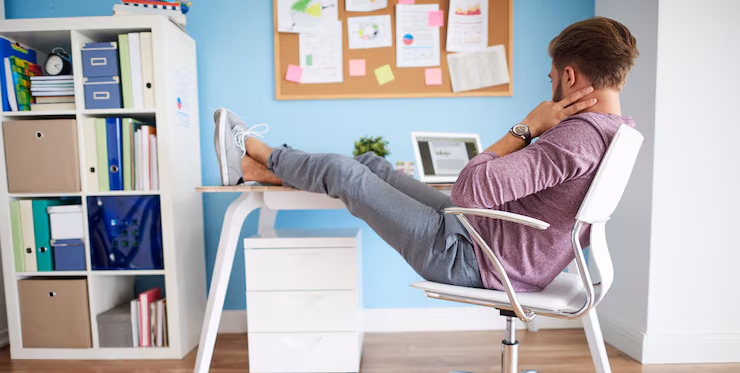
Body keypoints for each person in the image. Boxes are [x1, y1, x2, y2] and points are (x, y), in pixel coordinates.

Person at [212, 17, 639, 292]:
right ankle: (261, 170)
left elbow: (469, 189)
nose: (549, 86)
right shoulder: (616, 132)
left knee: (347, 173)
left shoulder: (573, 139)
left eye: (551, 78)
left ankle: (257, 152)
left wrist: (526, 127)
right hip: (488, 241)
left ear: (569, 75)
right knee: (372, 166)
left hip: (474, 259)